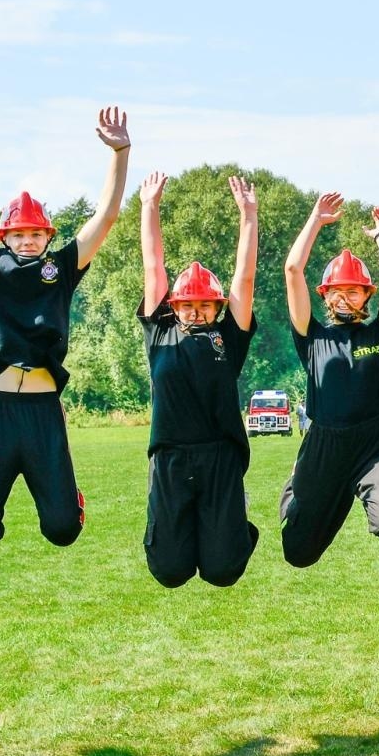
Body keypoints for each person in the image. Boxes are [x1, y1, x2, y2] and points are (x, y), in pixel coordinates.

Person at [0, 89, 130, 548]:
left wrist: (120, 153)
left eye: (35, 233)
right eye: (17, 234)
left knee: (63, 530)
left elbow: (106, 215)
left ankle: (67, 502)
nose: (26, 240)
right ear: (5, 236)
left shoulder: (59, 268)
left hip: (43, 409)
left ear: (47, 235)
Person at [135, 171, 259, 588]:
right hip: (169, 458)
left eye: (206, 305)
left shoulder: (228, 336)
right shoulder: (161, 332)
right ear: (175, 306)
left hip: (220, 457)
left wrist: (249, 216)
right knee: (170, 572)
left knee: (223, 572)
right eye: (188, 305)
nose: (196, 312)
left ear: (217, 307)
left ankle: (236, 526)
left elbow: (244, 279)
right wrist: (148, 206)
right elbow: (153, 266)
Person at [279, 192, 379, 567]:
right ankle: (296, 484)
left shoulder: (378, 333)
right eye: (337, 292)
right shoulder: (312, 336)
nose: (344, 298)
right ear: (325, 297)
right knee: (298, 553)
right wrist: (315, 221)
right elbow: (293, 271)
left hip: (375, 441)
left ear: (366, 295)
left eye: (352, 291)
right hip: (324, 444)